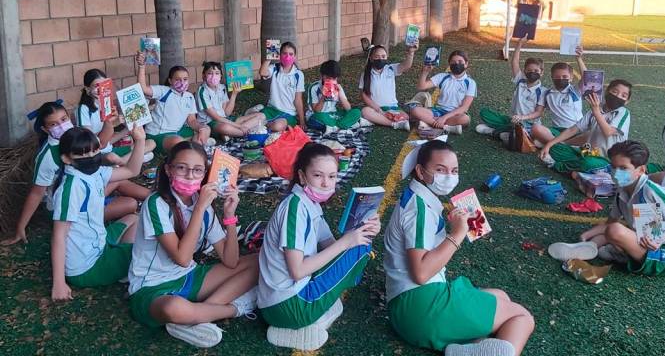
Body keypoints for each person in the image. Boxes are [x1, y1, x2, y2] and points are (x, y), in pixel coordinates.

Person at [384, 139, 534, 355]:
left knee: (500, 296)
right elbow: (421, 273)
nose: (449, 176)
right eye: (440, 169)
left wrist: (451, 228)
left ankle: (467, 349)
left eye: (454, 170)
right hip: (421, 306)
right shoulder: (419, 210)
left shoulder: (417, 197)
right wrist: (458, 234)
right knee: (521, 317)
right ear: (420, 171)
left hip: (406, 309)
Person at [128, 141, 259, 348]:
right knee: (174, 308)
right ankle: (235, 308)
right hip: (151, 287)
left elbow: (230, 260)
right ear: (168, 170)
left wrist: (229, 216)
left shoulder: (203, 205)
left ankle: (200, 314)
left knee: (260, 261)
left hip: (189, 277)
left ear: (205, 173)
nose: (190, 175)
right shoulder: (156, 203)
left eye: (197, 170)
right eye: (182, 168)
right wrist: (199, 208)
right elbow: (182, 258)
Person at [258, 143, 380, 351]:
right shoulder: (295, 207)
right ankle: (296, 324)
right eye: (318, 175)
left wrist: (365, 229)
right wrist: (349, 242)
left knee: (359, 244)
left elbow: (331, 248)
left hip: (285, 301)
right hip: (287, 307)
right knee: (360, 249)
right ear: (302, 176)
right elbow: (297, 271)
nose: (326, 183)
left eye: (332, 177)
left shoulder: (308, 203)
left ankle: (314, 312)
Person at [2, 102, 142, 246]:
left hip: (89, 188)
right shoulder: (48, 157)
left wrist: (108, 122)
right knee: (130, 204)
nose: (61, 126)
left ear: (68, 117)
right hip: (70, 207)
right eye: (54, 124)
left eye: (63, 119)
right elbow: (36, 193)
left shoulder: (75, 135)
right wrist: (21, 227)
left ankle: (154, 196)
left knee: (120, 183)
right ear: (45, 129)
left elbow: (100, 143)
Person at [50, 125, 146, 301]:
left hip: (98, 244)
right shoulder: (71, 188)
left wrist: (140, 140)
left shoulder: (93, 172)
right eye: (83, 154)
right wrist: (59, 283)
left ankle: (123, 264)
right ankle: (128, 265)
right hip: (86, 266)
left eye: (94, 152)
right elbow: (59, 235)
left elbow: (131, 171)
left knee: (134, 218)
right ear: (66, 159)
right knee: (148, 250)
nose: (91, 158)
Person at [579, 141, 665, 276]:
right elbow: (609, 223)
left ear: (641, 170)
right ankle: (587, 248)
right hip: (644, 240)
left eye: (623, 168)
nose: (616, 173)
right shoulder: (621, 190)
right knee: (606, 233)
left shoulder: (652, 191)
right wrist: (585, 235)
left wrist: (662, 240)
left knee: (615, 230)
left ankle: (619, 253)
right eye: (613, 167)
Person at [539, 79, 632, 175]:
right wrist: (549, 144)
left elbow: (608, 131)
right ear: (607, 91)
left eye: (623, 95)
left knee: (588, 163)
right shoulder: (596, 109)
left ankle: (557, 166)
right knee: (555, 148)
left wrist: (596, 111)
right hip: (587, 152)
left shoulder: (623, 112)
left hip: (607, 160)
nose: (617, 96)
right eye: (615, 91)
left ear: (627, 101)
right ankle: (579, 171)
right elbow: (573, 129)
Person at [76, 68, 156, 165]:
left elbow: (108, 140)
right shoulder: (83, 109)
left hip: (109, 147)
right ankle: (124, 162)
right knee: (112, 157)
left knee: (151, 143)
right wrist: (111, 125)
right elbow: (90, 141)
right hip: (96, 153)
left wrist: (128, 127)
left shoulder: (105, 104)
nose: (101, 89)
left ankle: (124, 161)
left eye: (103, 85)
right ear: (87, 89)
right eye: (96, 86)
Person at [136, 53, 211, 153]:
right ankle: (193, 144)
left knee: (206, 129)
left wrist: (201, 128)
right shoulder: (164, 91)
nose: (182, 82)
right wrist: (141, 67)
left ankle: (192, 144)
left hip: (178, 132)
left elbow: (192, 120)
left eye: (185, 79)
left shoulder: (189, 97)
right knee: (178, 141)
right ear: (170, 81)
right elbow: (143, 89)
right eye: (178, 79)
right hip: (158, 134)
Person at [476, 36, 546, 139]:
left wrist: (522, 118)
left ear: (542, 73)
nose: (532, 73)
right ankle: (508, 132)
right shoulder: (520, 81)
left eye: (536, 71)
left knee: (519, 135)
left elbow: (538, 113)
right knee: (485, 113)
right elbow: (514, 62)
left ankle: (495, 132)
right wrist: (519, 44)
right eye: (529, 70)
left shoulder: (543, 91)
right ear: (524, 71)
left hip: (529, 125)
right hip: (513, 120)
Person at [409, 50, 476, 135]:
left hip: (454, 114)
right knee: (415, 110)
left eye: (460, 61)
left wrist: (444, 118)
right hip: (438, 111)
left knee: (465, 119)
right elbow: (421, 86)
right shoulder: (443, 76)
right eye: (453, 62)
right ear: (449, 64)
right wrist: (425, 72)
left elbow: (464, 108)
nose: (456, 64)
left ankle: (429, 123)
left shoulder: (470, 83)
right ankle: (446, 128)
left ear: (466, 64)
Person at [196, 61, 266, 138]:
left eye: (217, 73)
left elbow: (227, 113)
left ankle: (232, 133)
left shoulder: (221, 87)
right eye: (210, 73)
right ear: (203, 76)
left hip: (225, 119)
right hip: (211, 123)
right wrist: (239, 126)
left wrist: (234, 94)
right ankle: (248, 133)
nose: (213, 77)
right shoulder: (202, 91)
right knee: (225, 128)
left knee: (261, 116)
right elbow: (216, 117)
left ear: (221, 76)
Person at [358, 43, 418, 131]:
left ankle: (376, 120)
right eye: (377, 57)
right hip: (376, 109)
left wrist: (411, 52)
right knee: (365, 111)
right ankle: (393, 124)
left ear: (386, 57)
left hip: (392, 108)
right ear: (371, 58)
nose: (380, 59)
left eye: (383, 56)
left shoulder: (391, 69)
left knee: (406, 117)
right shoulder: (366, 74)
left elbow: (406, 65)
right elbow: (364, 95)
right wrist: (378, 109)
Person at [529, 62, 583, 146]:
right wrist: (521, 117)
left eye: (565, 77)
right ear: (552, 77)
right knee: (536, 128)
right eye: (557, 77)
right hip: (557, 131)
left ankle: (553, 143)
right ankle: (562, 144)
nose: (561, 79)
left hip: (576, 130)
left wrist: (579, 58)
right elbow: (538, 112)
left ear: (571, 77)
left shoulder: (575, 90)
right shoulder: (547, 93)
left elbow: (588, 77)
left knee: (592, 134)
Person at [257, 42, 306, 132]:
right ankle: (257, 124)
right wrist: (269, 58)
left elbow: (298, 99)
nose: (287, 57)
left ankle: (261, 126)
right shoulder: (274, 68)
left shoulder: (298, 75)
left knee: (277, 126)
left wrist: (302, 121)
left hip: (288, 114)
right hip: (271, 109)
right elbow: (263, 72)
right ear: (280, 55)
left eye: (291, 54)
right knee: (255, 119)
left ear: (295, 57)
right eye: (284, 53)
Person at [306, 60, 362, 134]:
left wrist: (340, 95)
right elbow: (316, 111)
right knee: (315, 119)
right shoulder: (314, 87)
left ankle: (334, 127)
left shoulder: (338, 87)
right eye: (329, 78)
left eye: (334, 79)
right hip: (320, 115)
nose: (332, 81)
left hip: (333, 115)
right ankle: (344, 125)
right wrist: (323, 97)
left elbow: (348, 108)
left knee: (356, 112)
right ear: (322, 76)